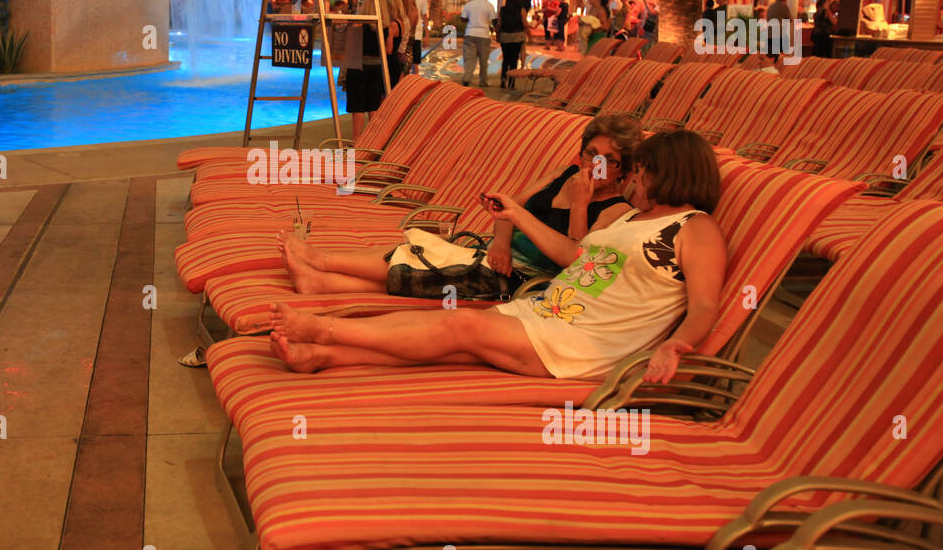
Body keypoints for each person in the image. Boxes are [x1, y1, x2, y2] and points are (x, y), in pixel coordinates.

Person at [268, 128, 726, 384]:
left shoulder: (695, 227)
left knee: (461, 324)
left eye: (640, 171)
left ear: (668, 174)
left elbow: (705, 304)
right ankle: (319, 355)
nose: (632, 180)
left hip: (587, 343)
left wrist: (674, 345)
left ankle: (323, 328)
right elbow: (572, 254)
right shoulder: (628, 221)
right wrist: (514, 215)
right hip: (550, 312)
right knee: (455, 349)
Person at [278, 114, 642, 299]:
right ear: (580, 153)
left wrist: (580, 205)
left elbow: (576, 260)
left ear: (623, 172)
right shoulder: (563, 173)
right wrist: (500, 241)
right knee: (419, 250)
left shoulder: (614, 210)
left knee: (430, 268)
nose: (595, 165)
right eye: (591, 154)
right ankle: (320, 279)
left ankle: (321, 266)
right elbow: (509, 205)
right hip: (499, 257)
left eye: (609, 161)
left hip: (528, 280)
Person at [340, 0, 388, 138]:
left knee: (358, 106)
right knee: (373, 104)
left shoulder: (360, 24)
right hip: (377, 66)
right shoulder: (385, 26)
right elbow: (387, 50)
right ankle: (372, 140)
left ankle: (357, 139)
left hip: (359, 66)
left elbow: (351, 47)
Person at [460, 0, 496, 86]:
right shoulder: (489, 5)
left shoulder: (469, 4)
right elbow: (494, 20)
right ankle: (483, 81)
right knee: (483, 60)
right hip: (484, 35)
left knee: (469, 58)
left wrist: (470, 20)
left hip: (470, 33)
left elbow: (462, 18)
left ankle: (467, 78)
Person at [498, 0, 529, 87]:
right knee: (514, 60)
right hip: (517, 36)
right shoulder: (521, 10)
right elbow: (525, 24)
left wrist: (498, 35)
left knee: (506, 59)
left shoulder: (502, 9)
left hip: (505, 36)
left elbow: (499, 24)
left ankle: (503, 80)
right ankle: (512, 83)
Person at [406, 0, 429, 74]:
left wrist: (426, 35)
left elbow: (425, 17)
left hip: (414, 33)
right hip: (414, 33)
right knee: (414, 62)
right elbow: (425, 17)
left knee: (413, 62)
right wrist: (426, 35)